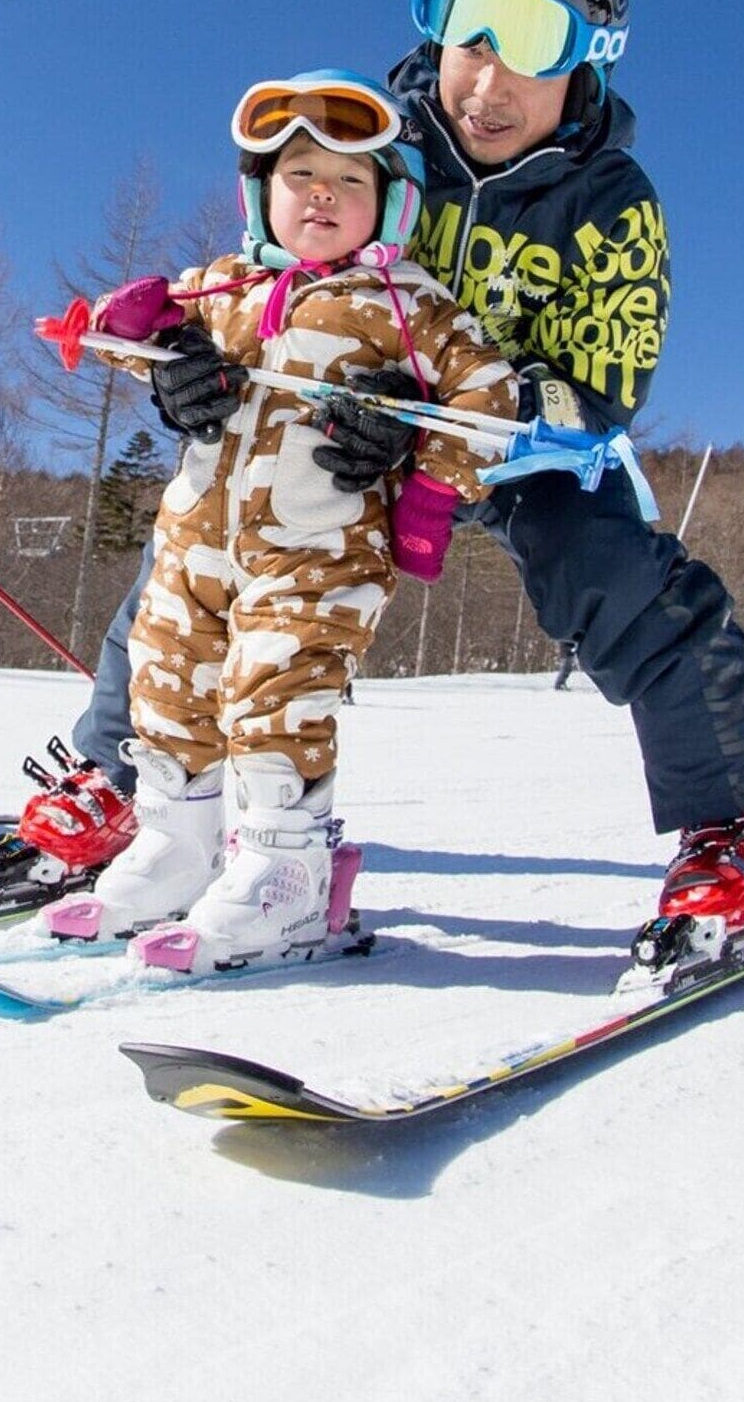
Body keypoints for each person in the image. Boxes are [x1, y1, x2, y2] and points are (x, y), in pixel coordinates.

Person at [27, 0, 744, 984]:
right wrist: (190, 366)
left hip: (511, 444)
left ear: (591, 59)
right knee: (206, 540)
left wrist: (442, 410)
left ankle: (739, 836)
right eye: (467, 31)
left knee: (616, 574)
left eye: (530, 47)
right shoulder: (371, 136)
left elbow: (605, 388)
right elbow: (264, 263)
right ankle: (132, 785)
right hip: (334, 428)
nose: (487, 82)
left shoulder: (609, 204)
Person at [33, 72, 514, 969]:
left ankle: (284, 880)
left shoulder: (409, 307)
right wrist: (151, 343)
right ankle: (179, 850)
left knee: (274, 699)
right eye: (300, 175)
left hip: (317, 554)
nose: (323, 194)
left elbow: (489, 397)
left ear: (392, 207)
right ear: (262, 194)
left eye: (350, 181)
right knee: (168, 692)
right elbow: (126, 330)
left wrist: (425, 480)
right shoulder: (224, 287)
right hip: (192, 549)